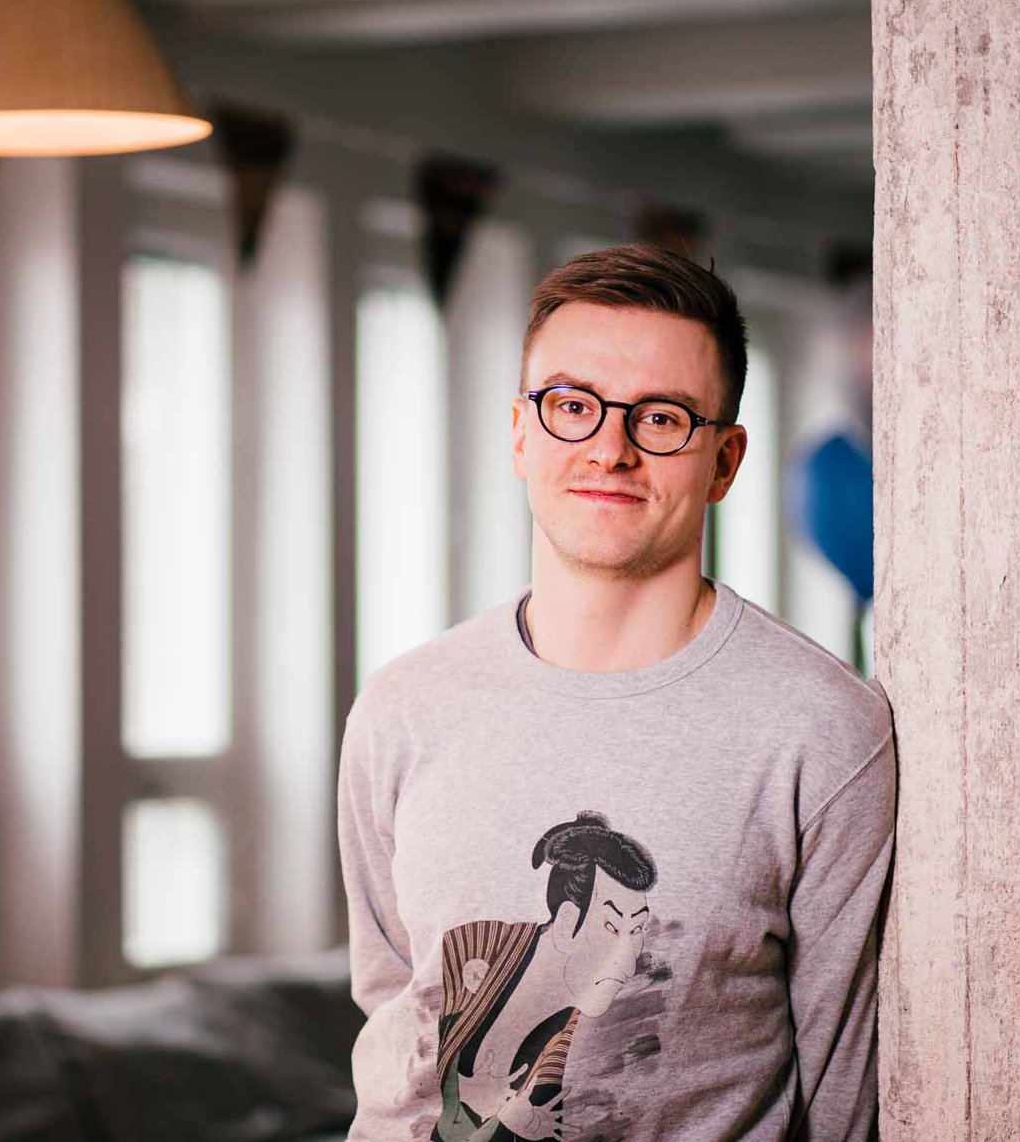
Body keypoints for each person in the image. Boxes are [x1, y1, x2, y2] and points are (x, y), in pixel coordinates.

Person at [338, 244, 896, 1142]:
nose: (609, 446)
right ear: (521, 432)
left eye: (663, 418)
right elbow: (398, 1034)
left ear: (724, 460)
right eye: (571, 406)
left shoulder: (823, 729)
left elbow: (847, 1099)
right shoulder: (403, 708)